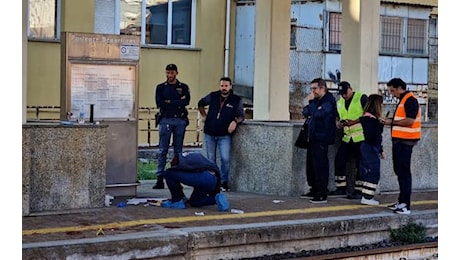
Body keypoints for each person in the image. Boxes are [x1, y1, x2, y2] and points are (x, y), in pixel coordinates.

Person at [197, 77, 245, 192]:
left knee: (225, 159)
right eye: (222, 86)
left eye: (226, 86)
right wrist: (204, 116)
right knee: (211, 159)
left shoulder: (236, 100)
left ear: (230, 87)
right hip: (210, 132)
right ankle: (212, 182)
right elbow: (200, 103)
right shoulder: (213, 96)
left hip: (224, 135)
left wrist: (235, 122)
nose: (224, 88)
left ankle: (224, 182)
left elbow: (241, 115)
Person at [383, 78, 421, 215]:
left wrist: (392, 122)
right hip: (400, 141)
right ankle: (401, 201)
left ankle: (405, 204)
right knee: (399, 170)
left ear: (400, 88)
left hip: (406, 141)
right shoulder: (403, 100)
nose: (392, 94)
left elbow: (410, 121)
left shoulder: (410, 100)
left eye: (393, 90)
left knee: (404, 172)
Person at [152, 64, 191, 189]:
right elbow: (160, 103)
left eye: (172, 73)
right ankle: (160, 178)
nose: (169, 75)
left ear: (176, 73)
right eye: (168, 72)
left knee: (178, 151)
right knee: (163, 150)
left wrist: (170, 102)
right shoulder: (161, 88)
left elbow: (186, 102)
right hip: (165, 119)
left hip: (179, 120)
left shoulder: (183, 87)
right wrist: (176, 102)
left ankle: (176, 177)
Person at [300, 78, 337, 203]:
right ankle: (314, 189)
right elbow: (305, 112)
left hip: (322, 137)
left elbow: (317, 114)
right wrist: (311, 106)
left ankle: (322, 193)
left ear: (323, 88)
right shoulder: (316, 101)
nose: (313, 91)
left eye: (315, 88)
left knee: (320, 165)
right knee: (311, 166)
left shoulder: (328, 101)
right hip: (313, 137)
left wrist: (311, 105)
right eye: (311, 89)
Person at [330, 81, 368, 199]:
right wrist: (338, 123)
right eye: (342, 93)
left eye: (345, 93)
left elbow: (368, 116)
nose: (344, 96)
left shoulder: (361, 98)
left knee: (360, 164)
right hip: (347, 137)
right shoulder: (340, 102)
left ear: (350, 89)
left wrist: (354, 122)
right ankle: (341, 187)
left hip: (360, 137)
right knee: (339, 160)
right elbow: (337, 116)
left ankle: (359, 190)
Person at [160, 151, 230, 212]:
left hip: (203, 177)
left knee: (168, 173)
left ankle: (177, 201)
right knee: (195, 202)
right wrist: (216, 191)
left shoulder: (180, 162)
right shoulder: (189, 157)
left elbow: (177, 172)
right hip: (212, 179)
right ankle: (215, 198)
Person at [359, 94, 385, 206]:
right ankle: (367, 197)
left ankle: (366, 196)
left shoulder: (367, 118)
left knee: (369, 171)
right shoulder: (371, 120)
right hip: (370, 148)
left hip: (369, 147)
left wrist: (380, 149)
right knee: (373, 172)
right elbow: (374, 136)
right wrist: (379, 124)